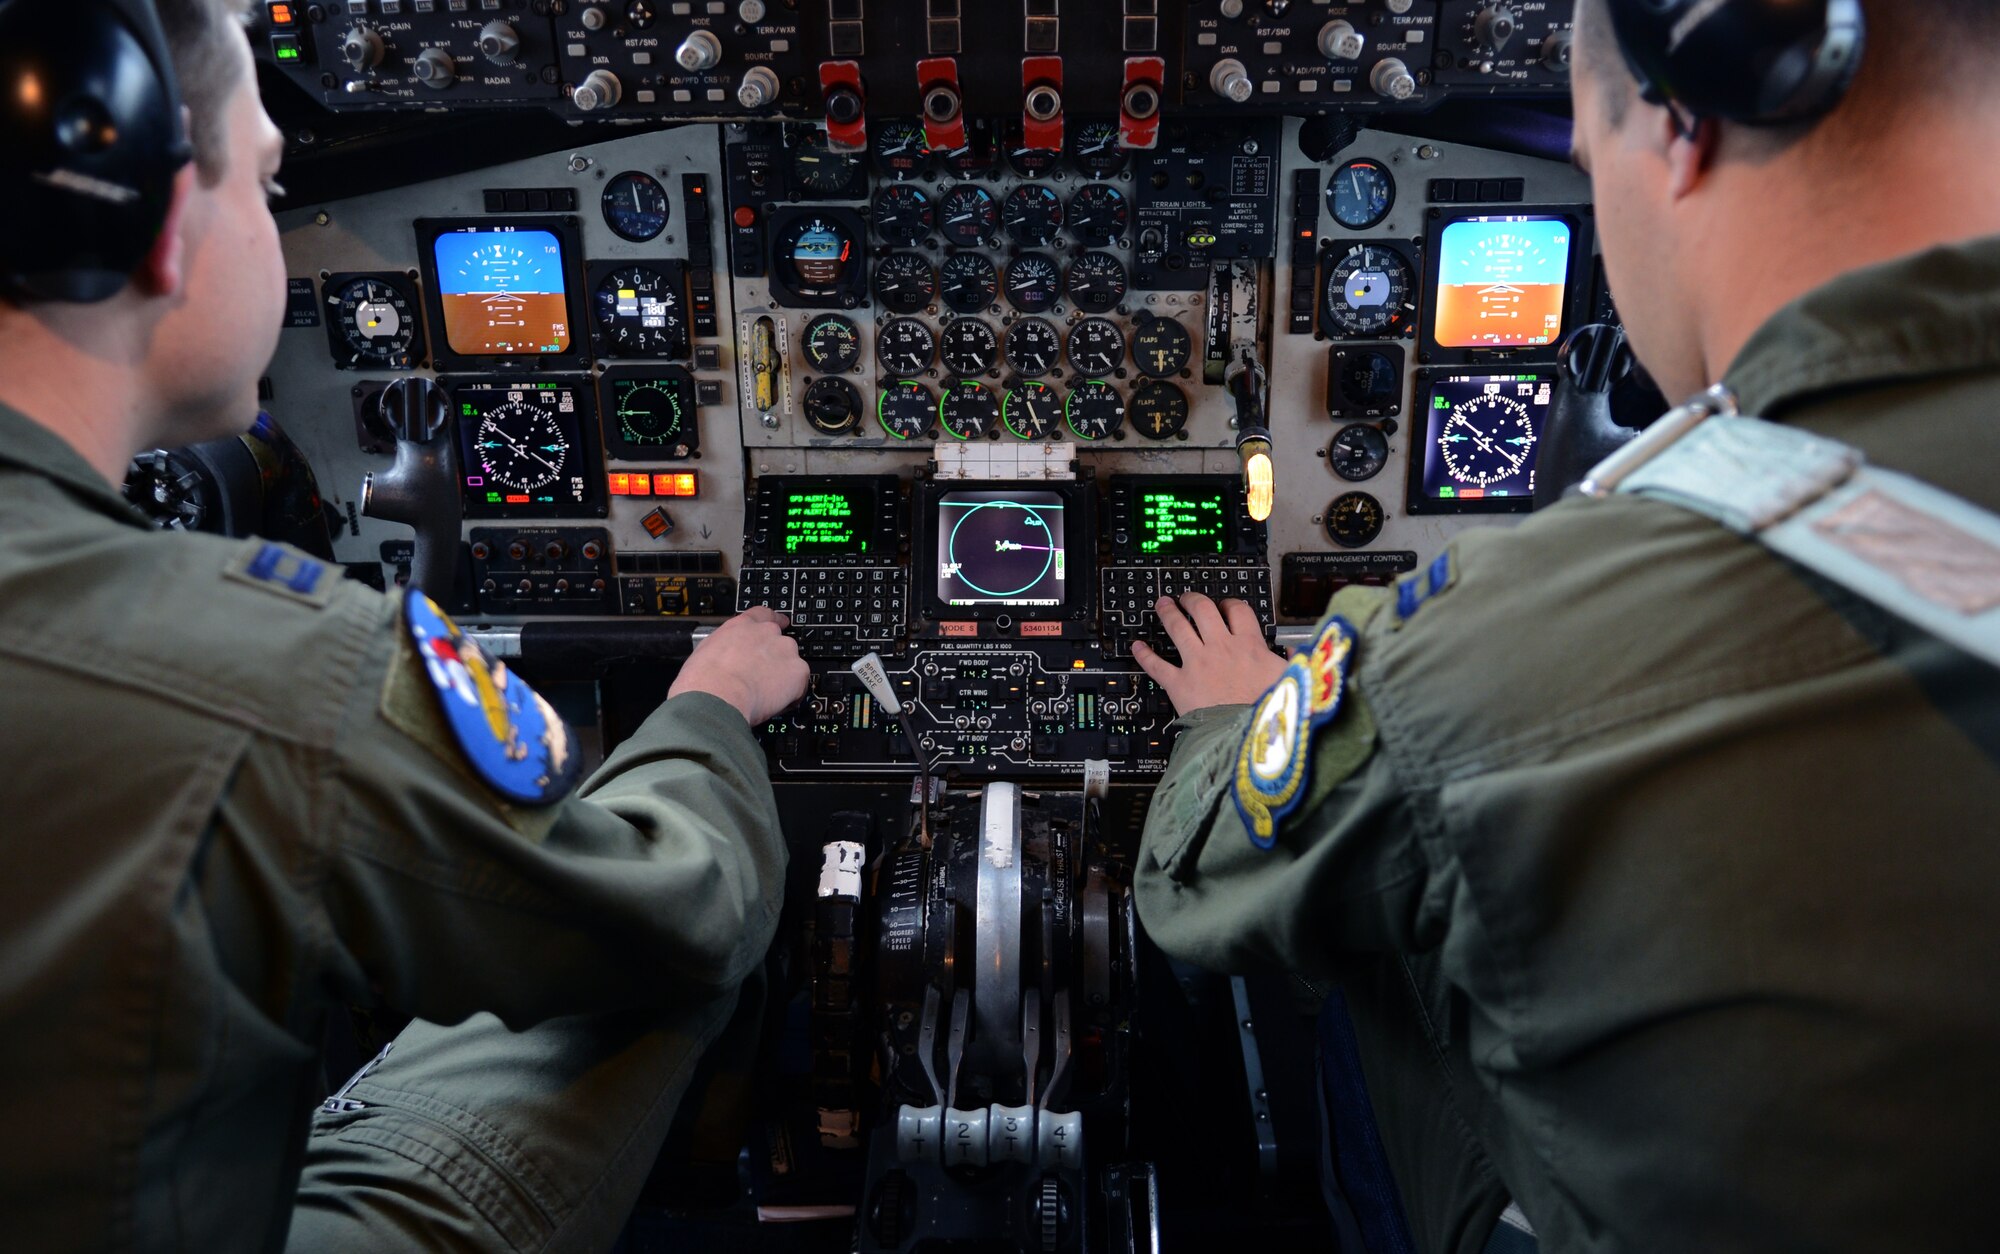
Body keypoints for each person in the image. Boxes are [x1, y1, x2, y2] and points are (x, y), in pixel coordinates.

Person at [1131, 0, 2000, 1250]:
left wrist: (1230, 716)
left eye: (1587, 170)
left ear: (1681, 121)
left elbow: (1189, 878)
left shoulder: (1488, 652)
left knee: (1356, 935)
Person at [0, 2, 809, 1250]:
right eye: (269, 185)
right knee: (663, 966)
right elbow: (674, 915)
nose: (278, 228)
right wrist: (709, 707)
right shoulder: (275, 664)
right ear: (157, 229)